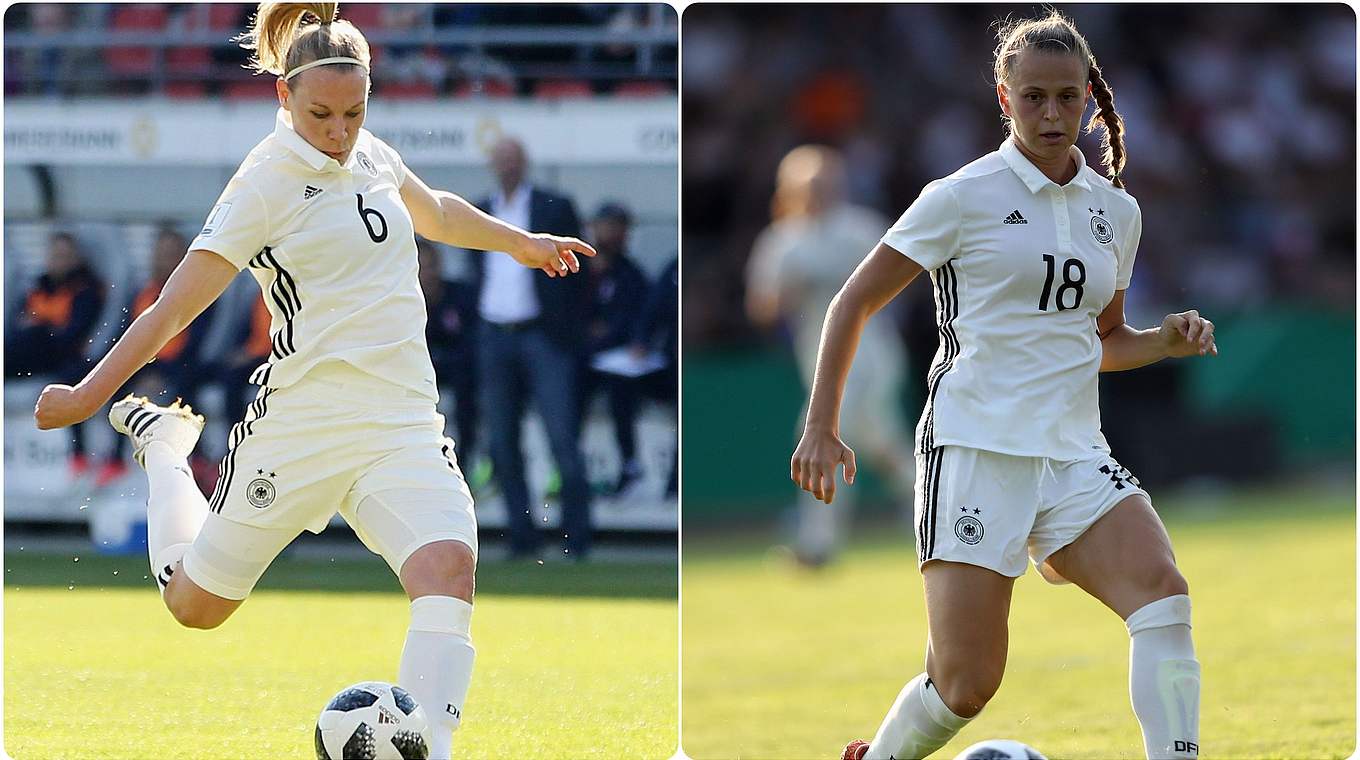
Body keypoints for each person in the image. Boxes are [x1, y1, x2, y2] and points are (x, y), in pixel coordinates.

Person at [32, 5, 594, 758]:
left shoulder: (372, 155)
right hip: (300, 425)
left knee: (448, 571)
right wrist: (88, 395)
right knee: (194, 608)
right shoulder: (264, 181)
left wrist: (520, 242)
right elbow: (171, 308)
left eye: (354, 112)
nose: (339, 130)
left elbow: (435, 213)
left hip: (400, 423)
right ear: (284, 99)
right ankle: (166, 448)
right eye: (321, 113)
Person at [789, 12, 1212, 759]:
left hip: (1075, 452)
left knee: (1163, 595)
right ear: (1003, 97)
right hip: (976, 448)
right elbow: (850, 301)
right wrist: (822, 424)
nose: (1052, 114)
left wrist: (1163, 343)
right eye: (1034, 97)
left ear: (1089, 98)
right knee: (965, 685)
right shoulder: (960, 195)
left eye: (1067, 97)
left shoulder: (1116, 212)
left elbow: (1101, 342)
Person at [747, 144, 914, 567]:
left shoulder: (862, 229)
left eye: (825, 182)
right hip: (817, 361)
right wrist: (790, 290)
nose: (818, 192)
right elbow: (761, 306)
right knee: (880, 444)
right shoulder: (781, 241)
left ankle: (816, 544)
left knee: (820, 433)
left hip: (871, 354)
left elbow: (902, 285)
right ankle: (935, 511)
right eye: (809, 184)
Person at [472, 136, 594, 560]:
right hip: (494, 335)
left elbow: (580, 279)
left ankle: (576, 540)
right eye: (499, 160)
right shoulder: (480, 209)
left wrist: (569, 333)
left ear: (524, 164)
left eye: (512, 160)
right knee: (503, 444)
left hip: (543, 337)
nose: (506, 167)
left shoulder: (553, 206)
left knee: (563, 438)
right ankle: (522, 538)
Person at [7, 230, 107, 477]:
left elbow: (74, 332)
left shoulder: (85, 289)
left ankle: (79, 456)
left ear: (76, 259)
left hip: (68, 356)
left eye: (64, 255)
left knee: (70, 383)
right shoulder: (38, 287)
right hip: (34, 354)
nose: (58, 261)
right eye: (54, 255)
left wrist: (42, 329)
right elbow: (20, 321)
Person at [581, 201, 649, 495]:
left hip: (615, 363)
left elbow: (635, 321)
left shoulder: (631, 275)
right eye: (608, 225)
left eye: (619, 227)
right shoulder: (577, 270)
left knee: (623, 390)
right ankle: (568, 469)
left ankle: (628, 465)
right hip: (581, 359)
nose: (614, 233)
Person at [419, 238, 481, 465]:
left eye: (431, 266)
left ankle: (467, 458)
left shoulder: (460, 296)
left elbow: (472, 343)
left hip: (458, 371)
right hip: (419, 373)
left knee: (467, 383)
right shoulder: (401, 304)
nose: (427, 274)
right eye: (421, 268)